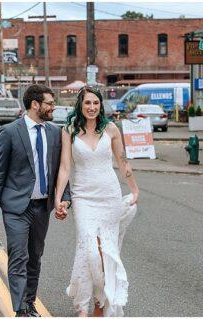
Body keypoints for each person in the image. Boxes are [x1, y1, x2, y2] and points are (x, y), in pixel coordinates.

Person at [0, 84, 70, 317]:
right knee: (19, 257)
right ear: (35, 105)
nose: (54, 107)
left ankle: (30, 302)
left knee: (35, 258)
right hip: (16, 207)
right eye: (50, 103)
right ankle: (20, 309)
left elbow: (59, 170)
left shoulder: (55, 132)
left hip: (43, 206)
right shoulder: (10, 132)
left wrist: (65, 199)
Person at [54, 86, 139, 317]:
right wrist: (58, 198)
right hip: (83, 197)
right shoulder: (69, 130)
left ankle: (100, 303)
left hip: (108, 195)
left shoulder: (111, 129)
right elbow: (64, 167)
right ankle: (82, 305)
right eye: (87, 103)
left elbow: (123, 161)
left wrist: (134, 189)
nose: (91, 107)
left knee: (105, 252)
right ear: (80, 106)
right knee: (89, 250)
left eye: (95, 103)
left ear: (101, 106)